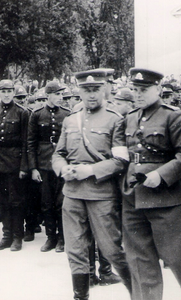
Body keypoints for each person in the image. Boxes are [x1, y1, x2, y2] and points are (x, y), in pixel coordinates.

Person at [121, 68, 181, 300]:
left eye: (144, 89)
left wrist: (161, 174)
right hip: (134, 199)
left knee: (178, 258)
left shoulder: (174, 116)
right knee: (141, 261)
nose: (138, 94)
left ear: (158, 89)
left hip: (167, 199)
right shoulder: (129, 117)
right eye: (135, 89)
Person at [52, 69, 132, 300]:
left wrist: (91, 170)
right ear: (79, 91)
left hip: (101, 195)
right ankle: (80, 296)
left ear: (105, 88)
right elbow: (58, 154)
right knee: (75, 250)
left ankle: (138, 293)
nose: (91, 95)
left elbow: (121, 161)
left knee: (112, 250)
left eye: (96, 89)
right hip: (73, 194)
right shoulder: (70, 120)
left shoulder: (115, 119)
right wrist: (62, 168)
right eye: (86, 90)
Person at [0, 79, 30, 251]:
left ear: (13, 93)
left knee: (16, 200)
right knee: (2, 200)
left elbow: (26, 142)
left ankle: (17, 237)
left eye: (9, 91)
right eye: (3, 91)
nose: (6, 94)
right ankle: (6, 235)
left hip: (15, 161)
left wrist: (24, 166)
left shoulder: (22, 112)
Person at [28, 81, 70, 252]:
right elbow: (31, 143)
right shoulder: (37, 115)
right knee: (46, 202)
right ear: (48, 95)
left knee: (61, 202)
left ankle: (62, 238)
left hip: (61, 163)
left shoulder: (67, 114)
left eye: (61, 94)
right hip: (44, 163)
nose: (60, 97)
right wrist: (33, 168)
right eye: (57, 94)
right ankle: (50, 237)